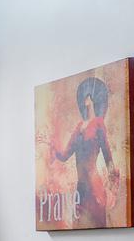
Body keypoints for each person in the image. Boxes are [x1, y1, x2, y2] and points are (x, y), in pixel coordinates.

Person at [49, 74, 118, 228]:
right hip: (80, 189)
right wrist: (52, 146)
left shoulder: (99, 124)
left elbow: (107, 156)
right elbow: (65, 155)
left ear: (91, 99)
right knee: (79, 227)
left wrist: (113, 187)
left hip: (94, 187)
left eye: (86, 96)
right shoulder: (79, 126)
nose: (83, 99)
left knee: (97, 227)